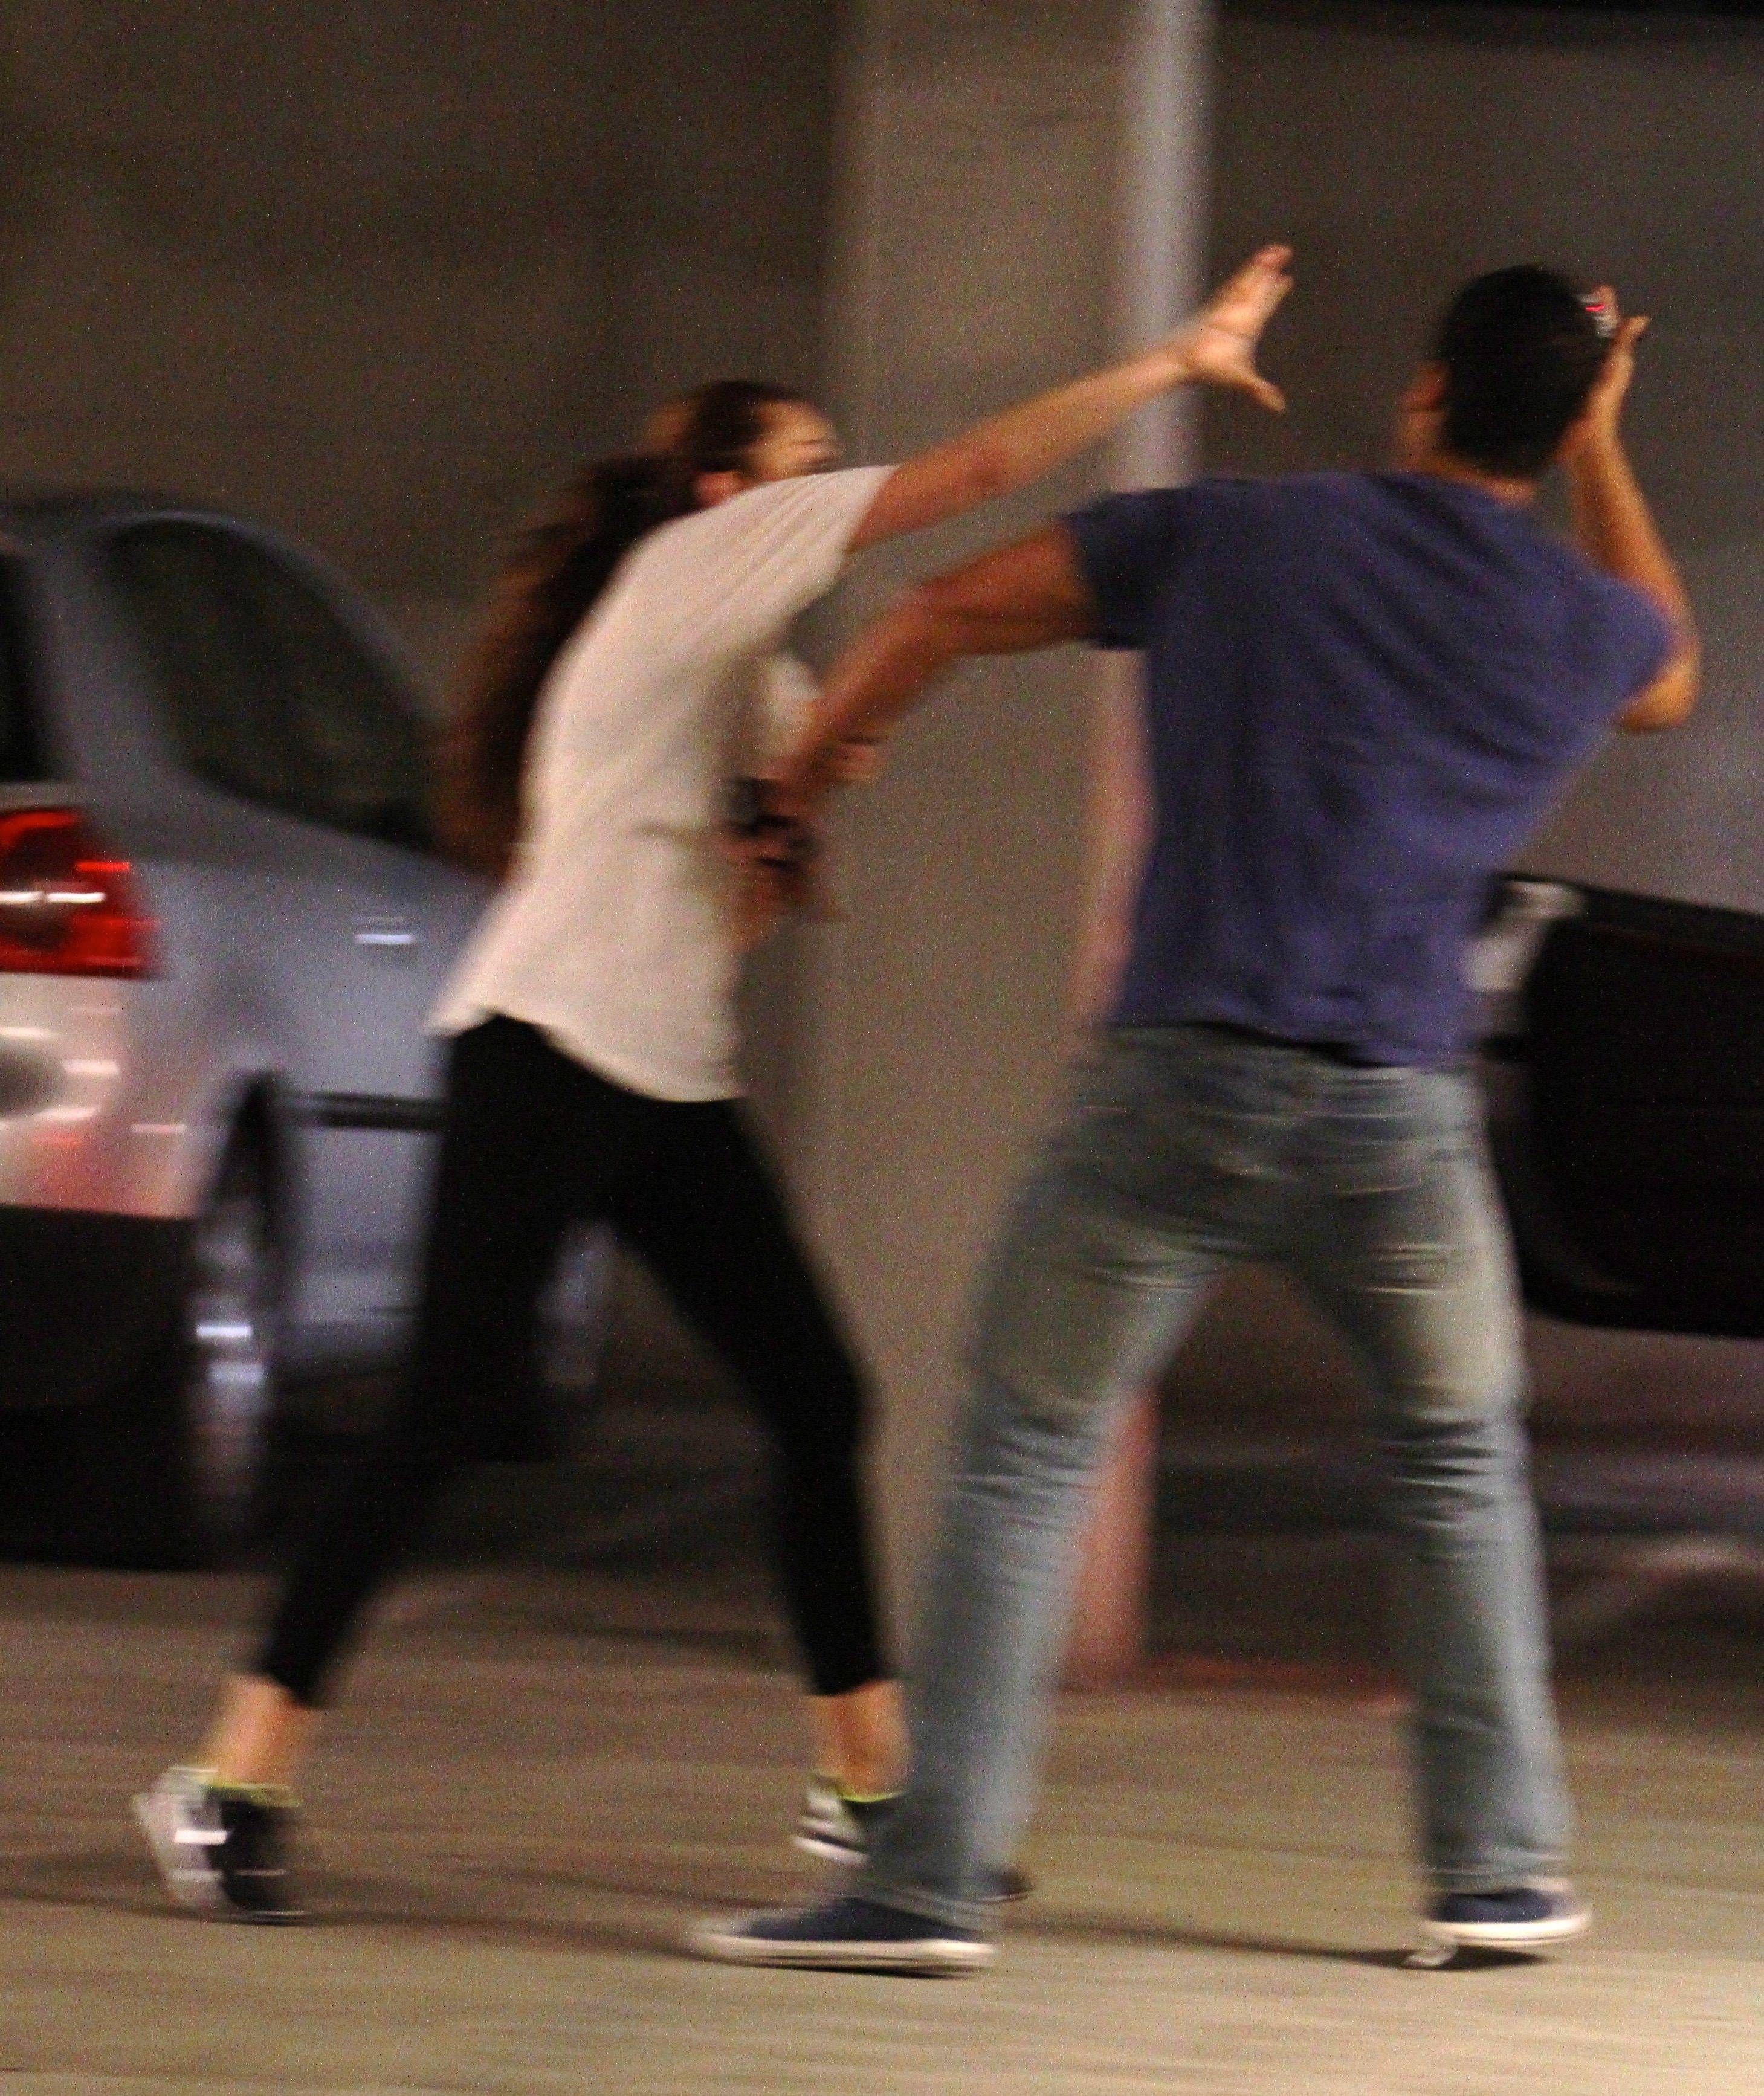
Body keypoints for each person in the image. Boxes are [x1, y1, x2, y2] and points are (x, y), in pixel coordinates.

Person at [133, 245, 1297, 1922]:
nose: (833, 486)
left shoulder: (754, 678)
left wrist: (804, 801)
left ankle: (867, 1794)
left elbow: (739, 911)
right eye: (808, 461)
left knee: (818, 1402)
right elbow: (975, 474)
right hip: (543, 1048)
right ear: (724, 487)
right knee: (437, 1423)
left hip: (665, 1081)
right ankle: (229, 1781)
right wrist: (1170, 365)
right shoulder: (692, 561)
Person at [691, 268, 1699, 1975]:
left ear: (1426, 391)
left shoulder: (1246, 535)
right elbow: (1666, 674)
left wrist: (804, 786)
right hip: (1398, 1115)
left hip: (1175, 1093)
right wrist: (1600, 443)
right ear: (1558, 426)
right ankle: (1497, 1876)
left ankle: (927, 1888)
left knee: (1025, 1456)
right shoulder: (1573, 622)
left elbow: (938, 608)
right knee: (1459, 1471)